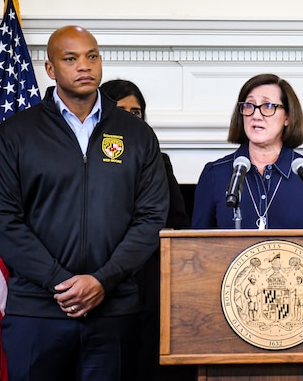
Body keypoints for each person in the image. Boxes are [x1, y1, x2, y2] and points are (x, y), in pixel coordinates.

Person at [0, 25, 169, 381]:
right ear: (51, 69)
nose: (84, 65)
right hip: (37, 312)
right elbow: (1, 221)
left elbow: (151, 218)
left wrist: (102, 281)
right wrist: (61, 283)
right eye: (71, 58)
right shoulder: (16, 134)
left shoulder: (137, 134)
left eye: (91, 56)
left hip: (114, 312)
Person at [100, 79, 194, 381]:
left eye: (136, 112)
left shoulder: (159, 161)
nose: (130, 118)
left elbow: (177, 222)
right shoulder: (86, 163)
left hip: (151, 279)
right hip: (103, 279)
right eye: (121, 110)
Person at [192, 73, 303, 230]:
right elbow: (195, 242)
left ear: (288, 117)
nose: (256, 115)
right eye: (249, 105)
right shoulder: (215, 174)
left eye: (268, 106)